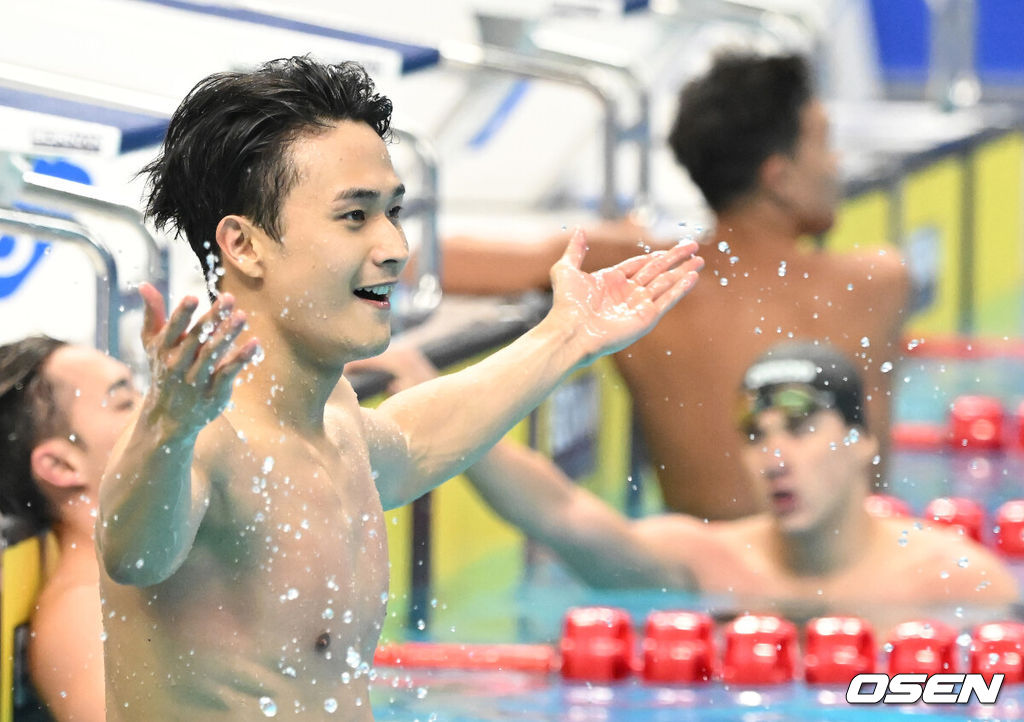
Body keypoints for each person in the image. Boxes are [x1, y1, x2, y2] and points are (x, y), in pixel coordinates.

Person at [96, 56, 703, 721]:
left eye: (393, 212)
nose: (394, 246)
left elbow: (410, 443)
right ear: (243, 246)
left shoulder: (332, 416)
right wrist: (167, 427)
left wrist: (566, 336)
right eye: (354, 217)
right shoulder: (202, 434)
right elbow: (133, 554)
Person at [441, 52, 910, 521]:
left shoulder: (648, 281)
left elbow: (456, 259)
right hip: (858, 573)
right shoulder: (876, 282)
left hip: (701, 573)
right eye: (824, 144)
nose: (836, 163)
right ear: (778, 178)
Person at [452, 341, 1019, 627]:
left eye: (799, 429)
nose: (774, 458)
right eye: (755, 435)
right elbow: (562, 514)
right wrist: (443, 407)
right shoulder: (704, 562)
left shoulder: (955, 582)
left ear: (862, 440)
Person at [0, 336, 139, 722]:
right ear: (62, 466)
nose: (157, 411)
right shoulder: (82, 620)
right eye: (125, 402)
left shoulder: (146, 568)